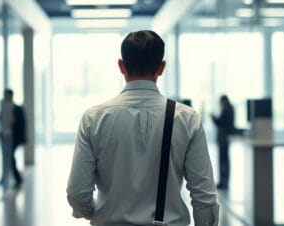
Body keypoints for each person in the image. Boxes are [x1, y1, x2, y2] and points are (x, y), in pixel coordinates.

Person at [67, 30, 219, 226]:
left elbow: (77, 193)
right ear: (161, 67)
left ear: (121, 66)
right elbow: (205, 197)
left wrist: (94, 213)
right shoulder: (187, 118)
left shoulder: (93, 118)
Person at [0, 89, 26, 189]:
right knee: (9, 158)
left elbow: (17, 125)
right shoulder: (5, 107)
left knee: (10, 158)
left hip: (12, 138)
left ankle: (17, 178)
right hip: (7, 136)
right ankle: (10, 178)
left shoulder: (16, 108)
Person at [211, 95, 235, 190]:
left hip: (223, 139)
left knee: (223, 161)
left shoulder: (227, 110)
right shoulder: (230, 109)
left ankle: (223, 182)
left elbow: (220, 122)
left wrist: (213, 117)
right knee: (224, 160)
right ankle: (224, 181)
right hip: (224, 138)